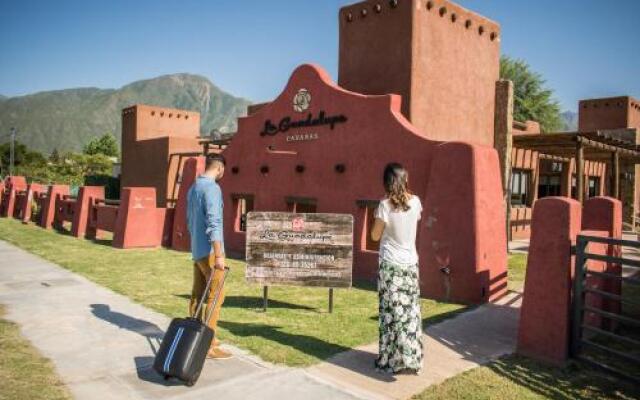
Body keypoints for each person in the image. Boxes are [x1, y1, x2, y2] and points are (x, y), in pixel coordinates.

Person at [370, 162, 423, 374]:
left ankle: (389, 359)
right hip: (411, 264)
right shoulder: (417, 202)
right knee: (410, 311)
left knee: (390, 313)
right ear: (405, 180)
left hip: (390, 265)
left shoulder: (384, 206)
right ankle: (412, 357)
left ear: (387, 182)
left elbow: (374, 236)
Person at [186, 153, 232, 360]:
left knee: (198, 295)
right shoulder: (213, 188)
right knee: (216, 297)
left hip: (197, 250)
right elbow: (214, 223)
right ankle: (208, 345)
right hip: (211, 253)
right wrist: (219, 255)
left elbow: (189, 220)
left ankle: (192, 335)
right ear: (220, 168)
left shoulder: (194, 187)